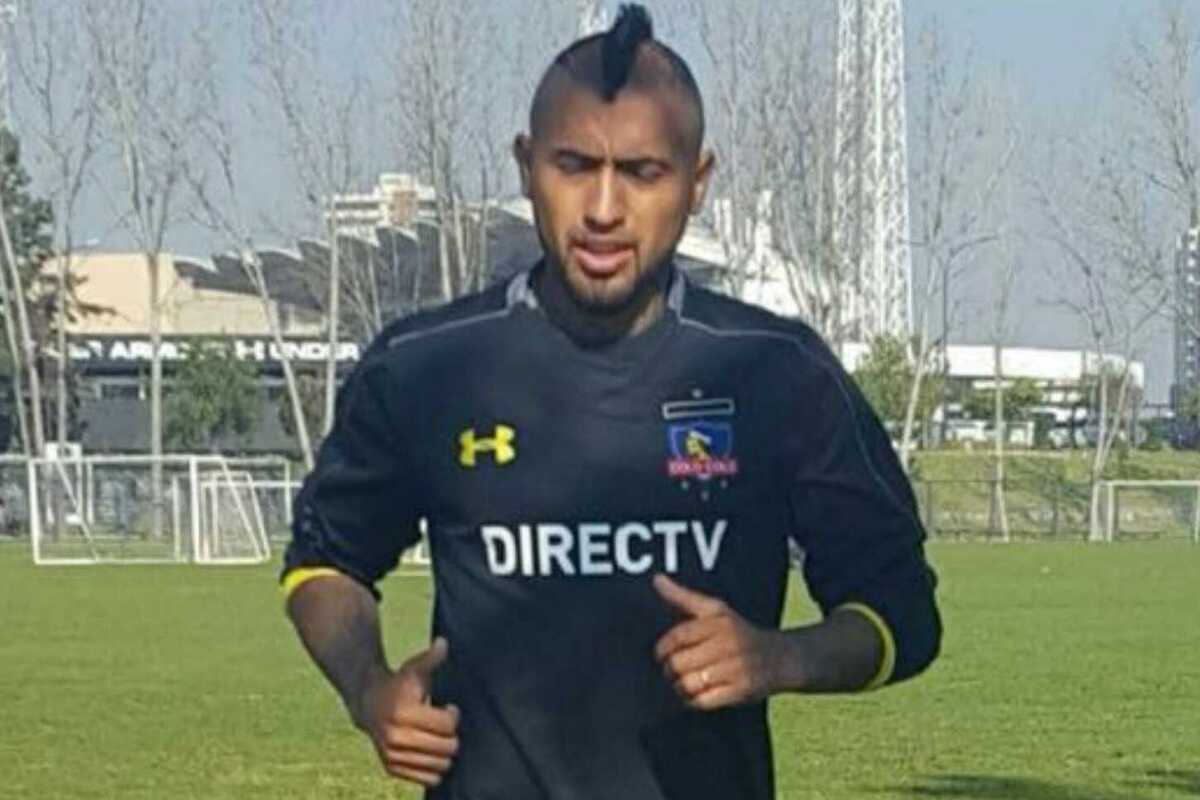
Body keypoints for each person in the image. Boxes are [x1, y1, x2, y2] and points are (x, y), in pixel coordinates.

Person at [281, 6, 941, 798]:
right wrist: (367, 688)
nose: (602, 208)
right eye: (572, 165)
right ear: (527, 166)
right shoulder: (426, 366)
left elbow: (903, 614)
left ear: (697, 183)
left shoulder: (776, 371)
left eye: (642, 172)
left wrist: (781, 657)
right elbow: (326, 559)